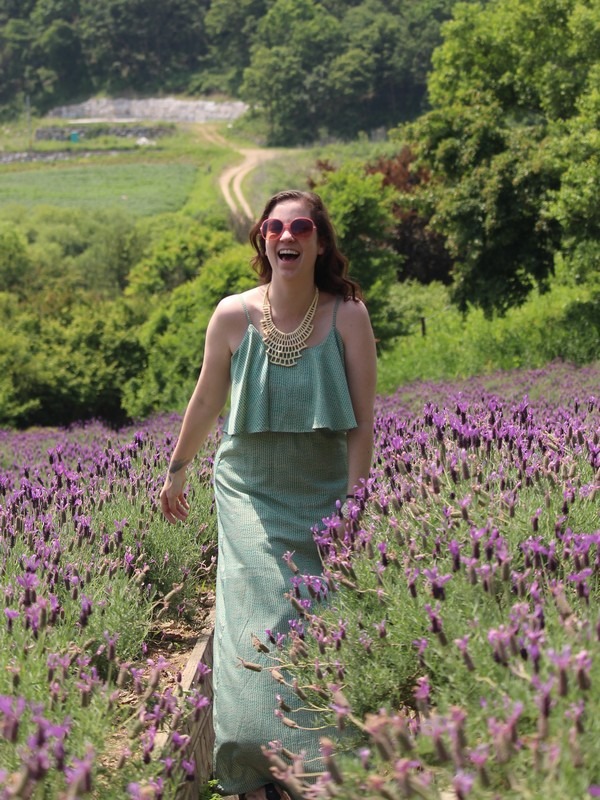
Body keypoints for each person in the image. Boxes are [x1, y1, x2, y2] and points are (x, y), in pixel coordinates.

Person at [160, 189, 377, 800]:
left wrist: (354, 507)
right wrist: (178, 469)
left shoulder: (347, 316)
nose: (288, 236)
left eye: (301, 227)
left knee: (317, 621)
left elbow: (363, 422)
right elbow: (206, 401)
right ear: (262, 238)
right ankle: (250, 766)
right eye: (275, 227)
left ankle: (317, 764)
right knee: (256, 616)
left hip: (324, 494)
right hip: (249, 490)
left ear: (320, 242)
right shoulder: (232, 315)